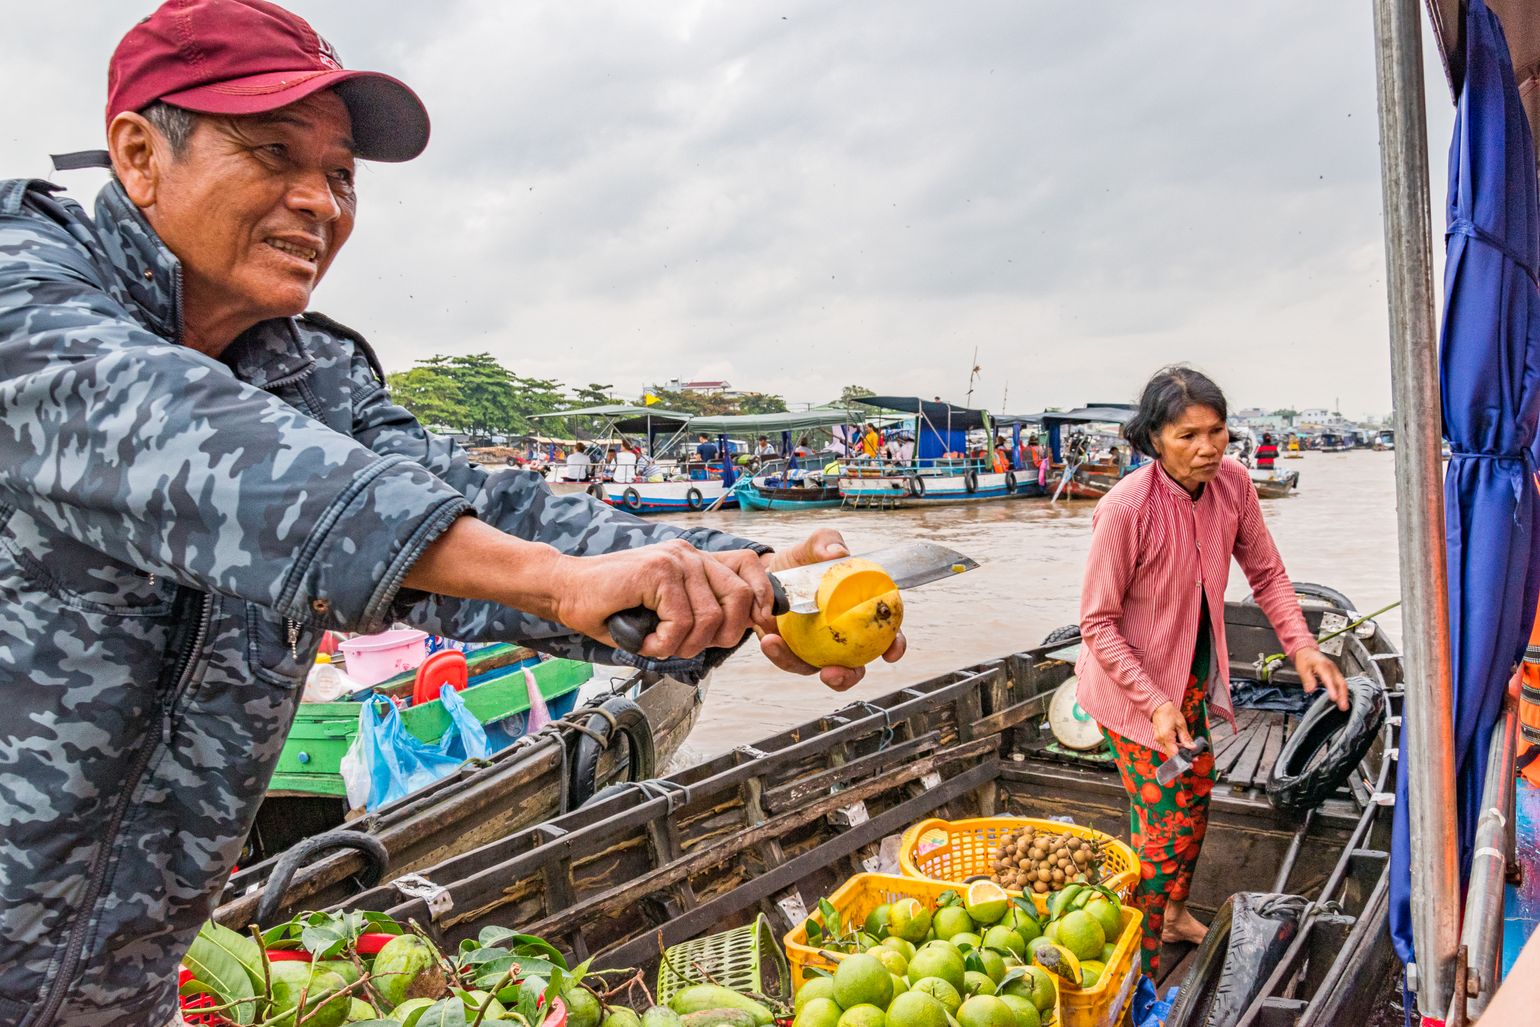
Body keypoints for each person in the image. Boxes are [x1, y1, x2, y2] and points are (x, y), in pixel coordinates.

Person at [0, 3, 905, 1021]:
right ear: (136, 152)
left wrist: (734, 570)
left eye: (340, 175)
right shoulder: (26, 291)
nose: (320, 203)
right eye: (273, 153)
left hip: (119, 988)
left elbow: (484, 512)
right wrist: (561, 581)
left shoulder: (313, 378)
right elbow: (207, 452)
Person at [1075, 366, 1348, 981]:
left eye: (1217, 432)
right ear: (1152, 440)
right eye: (1187, 436)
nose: (1206, 448)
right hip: (1133, 692)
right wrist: (1152, 701)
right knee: (1164, 831)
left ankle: (1171, 915)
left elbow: (1269, 576)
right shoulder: (1125, 508)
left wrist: (1302, 646)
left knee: (1196, 799)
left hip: (1194, 681)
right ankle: (1138, 966)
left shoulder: (1234, 486)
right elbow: (1096, 623)